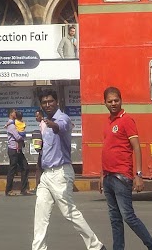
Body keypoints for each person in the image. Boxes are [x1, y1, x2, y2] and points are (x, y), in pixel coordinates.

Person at [32, 87, 101, 250]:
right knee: (40, 214)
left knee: (69, 212)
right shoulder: (45, 123)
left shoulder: (62, 119)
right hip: (47, 175)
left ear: (57, 102)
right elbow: (43, 151)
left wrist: (50, 123)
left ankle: (96, 246)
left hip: (60, 173)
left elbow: (59, 127)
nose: (47, 104)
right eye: (44, 102)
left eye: (50, 101)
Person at [100, 88, 152, 250]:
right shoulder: (108, 122)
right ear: (104, 103)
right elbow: (107, 149)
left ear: (121, 100)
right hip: (108, 177)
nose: (113, 103)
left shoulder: (127, 120)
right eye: (110, 101)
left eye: (116, 100)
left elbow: (137, 148)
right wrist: (101, 175)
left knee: (128, 216)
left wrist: (138, 175)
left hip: (122, 176)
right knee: (115, 219)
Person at [5, 109, 31, 197]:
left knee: (25, 167)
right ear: (10, 114)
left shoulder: (14, 123)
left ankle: (23, 189)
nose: (15, 113)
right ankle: (8, 190)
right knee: (12, 169)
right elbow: (17, 137)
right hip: (13, 150)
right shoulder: (11, 125)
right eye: (14, 112)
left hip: (18, 150)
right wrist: (23, 135)